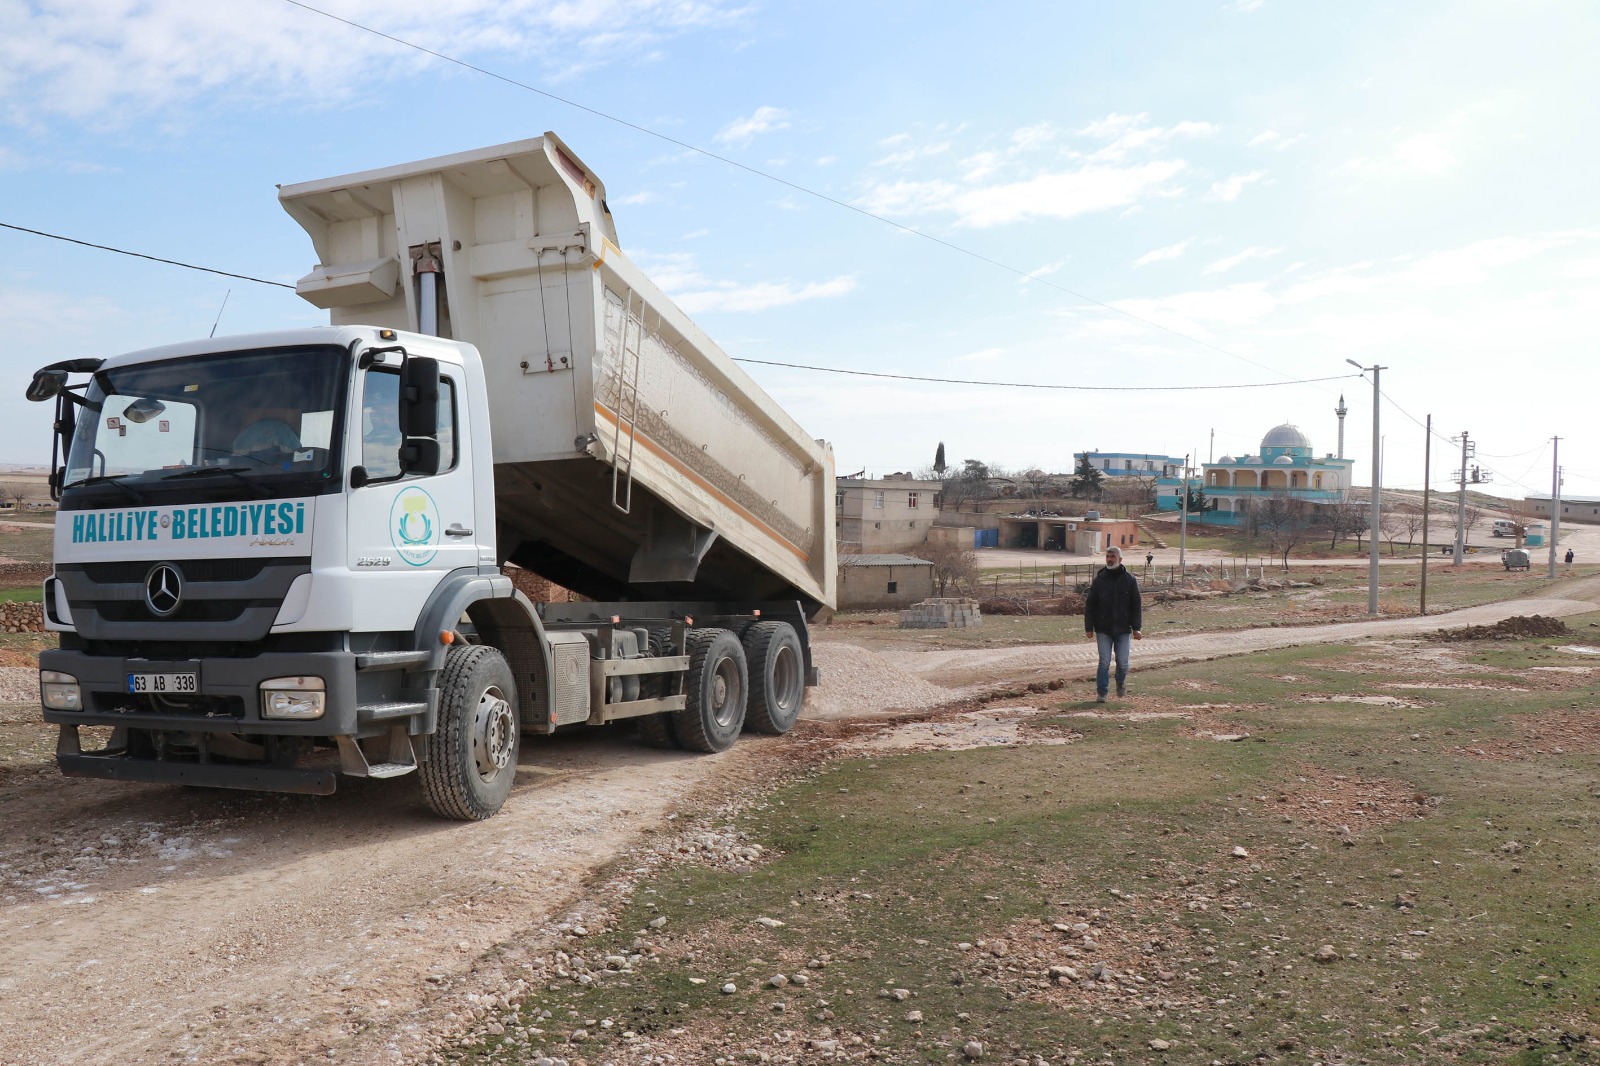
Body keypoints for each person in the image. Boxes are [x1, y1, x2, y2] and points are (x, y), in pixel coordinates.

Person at [1084, 544, 1143, 702]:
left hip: (1123, 629)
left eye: (1113, 557)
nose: (1110, 560)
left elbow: (1136, 605)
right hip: (1103, 629)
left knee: (1123, 663)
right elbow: (1090, 605)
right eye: (1108, 557)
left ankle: (1120, 682)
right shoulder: (1099, 579)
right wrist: (1089, 628)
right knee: (1104, 661)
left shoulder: (1130, 580)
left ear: (1120, 559)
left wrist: (1137, 628)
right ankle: (1102, 693)